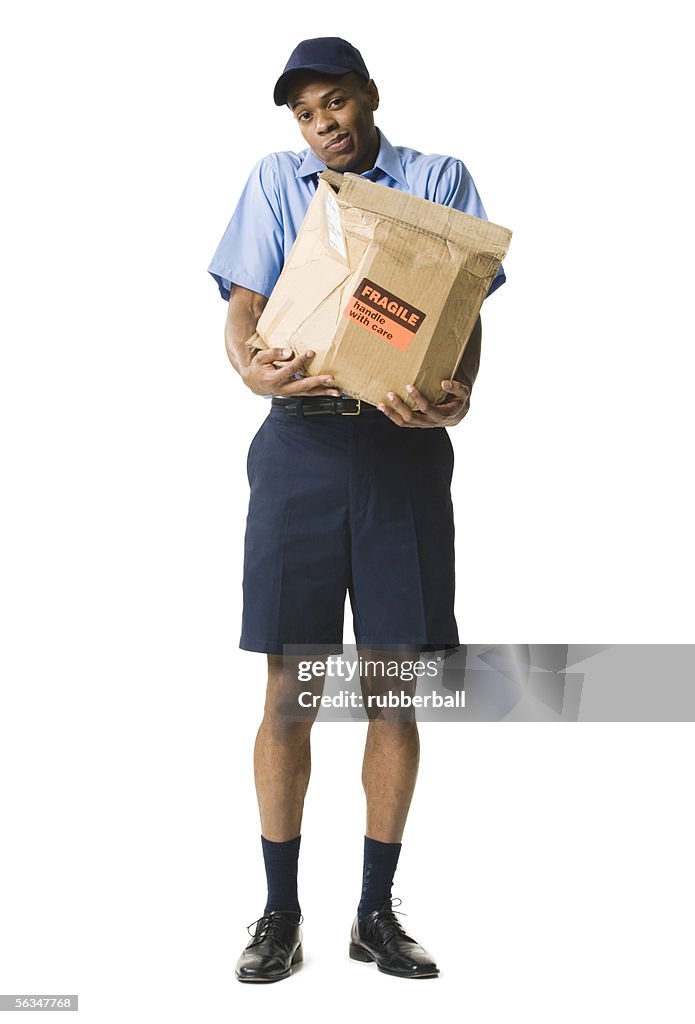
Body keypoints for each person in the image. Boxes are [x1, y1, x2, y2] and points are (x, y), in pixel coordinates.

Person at [207, 36, 506, 983]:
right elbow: (243, 308)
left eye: (333, 103)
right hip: (298, 443)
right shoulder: (275, 181)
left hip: (400, 447)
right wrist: (246, 362)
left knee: (389, 684)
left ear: (368, 96)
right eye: (303, 113)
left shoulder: (437, 177)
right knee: (290, 685)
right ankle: (279, 913)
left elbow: (463, 311)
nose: (321, 124)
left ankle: (375, 913)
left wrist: (459, 386)